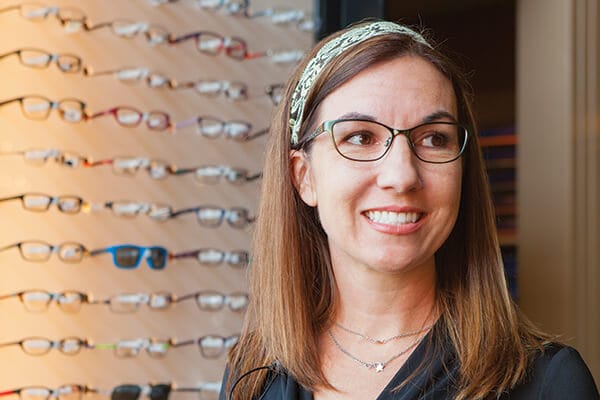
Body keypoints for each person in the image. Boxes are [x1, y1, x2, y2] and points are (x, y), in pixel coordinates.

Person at [219, 20, 599, 400]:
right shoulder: (254, 375)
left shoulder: (547, 383)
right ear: (303, 177)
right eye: (360, 137)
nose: (402, 175)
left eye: (434, 139)